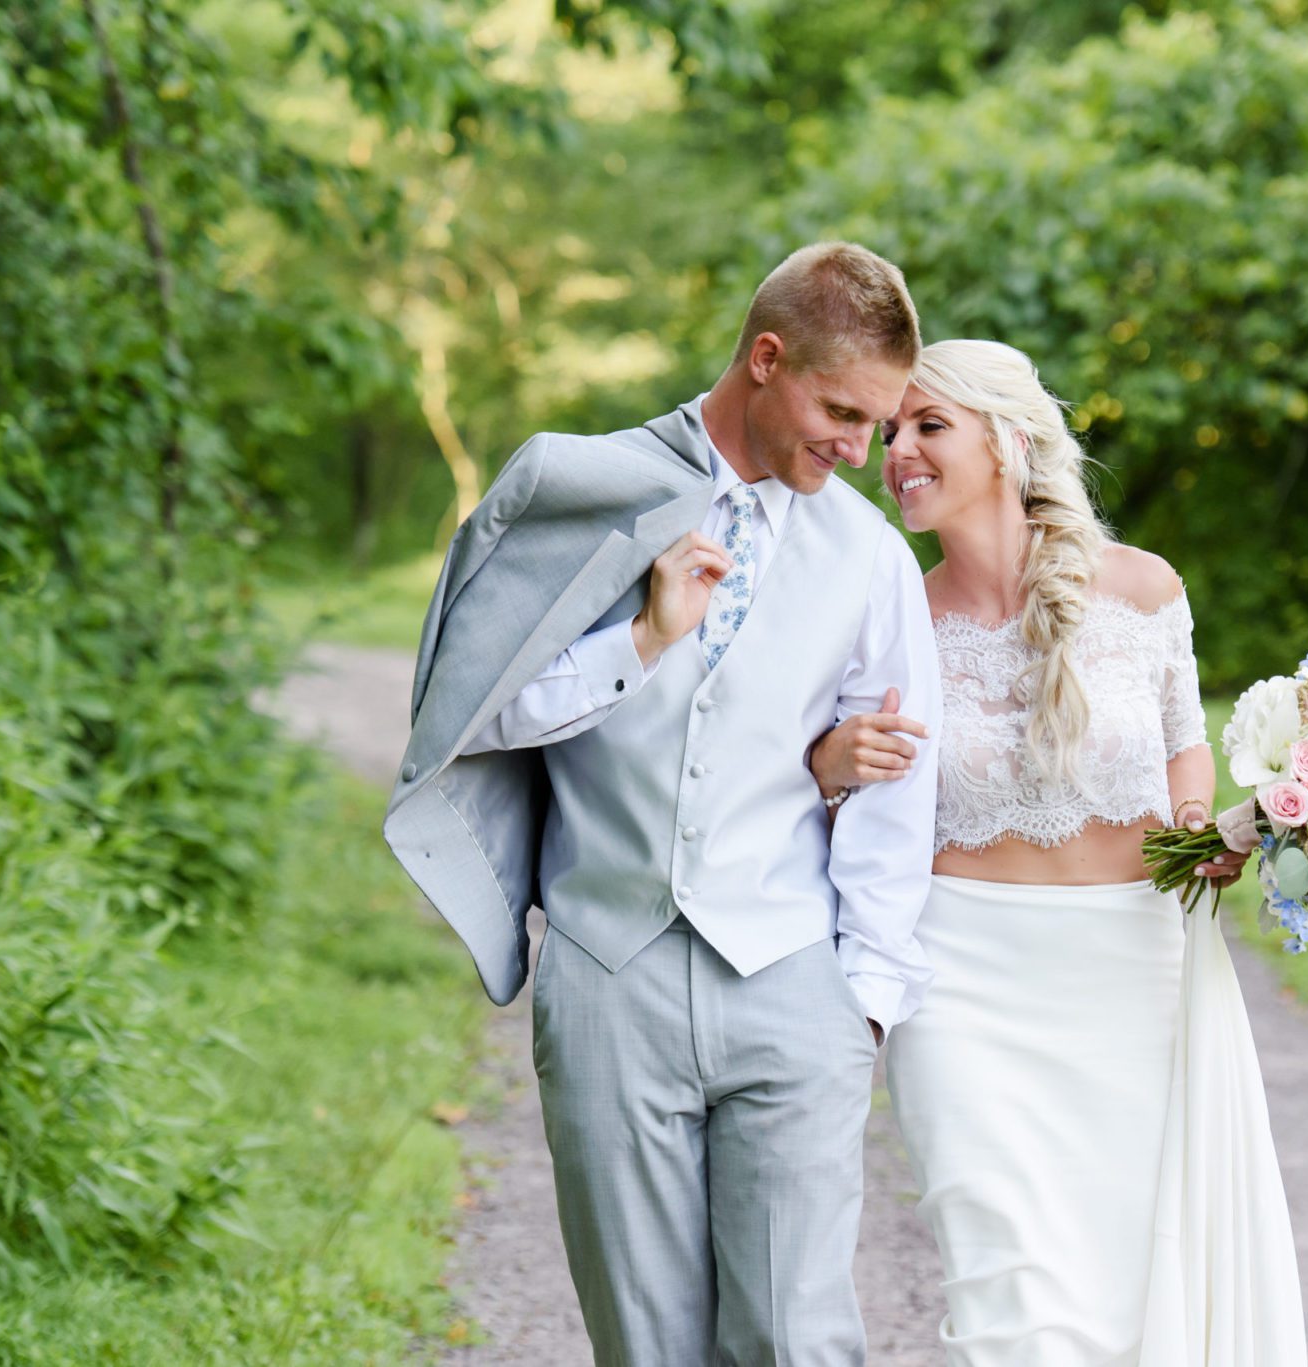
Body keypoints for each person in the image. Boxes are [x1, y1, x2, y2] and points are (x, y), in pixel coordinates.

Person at [384, 242, 944, 1365]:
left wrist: (863, 1003)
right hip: (609, 976)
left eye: (877, 424)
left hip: (791, 982)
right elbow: (467, 718)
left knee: (796, 1336)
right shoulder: (577, 489)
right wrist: (638, 643)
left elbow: (897, 784)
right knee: (644, 1342)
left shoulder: (867, 556)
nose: (856, 447)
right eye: (839, 409)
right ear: (764, 358)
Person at [809, 338, 1306, 1365]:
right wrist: (829, 757)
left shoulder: (1144, 589)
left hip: (1132, 972)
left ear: (1008, 440)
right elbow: (810, 778)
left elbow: (1181, 741)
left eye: (925, 425)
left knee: (1133, 1295)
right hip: (958, 982)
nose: (894, 449)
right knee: (1010, 1303)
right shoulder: (885, 609)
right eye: (890, 429)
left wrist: (1204, 830)